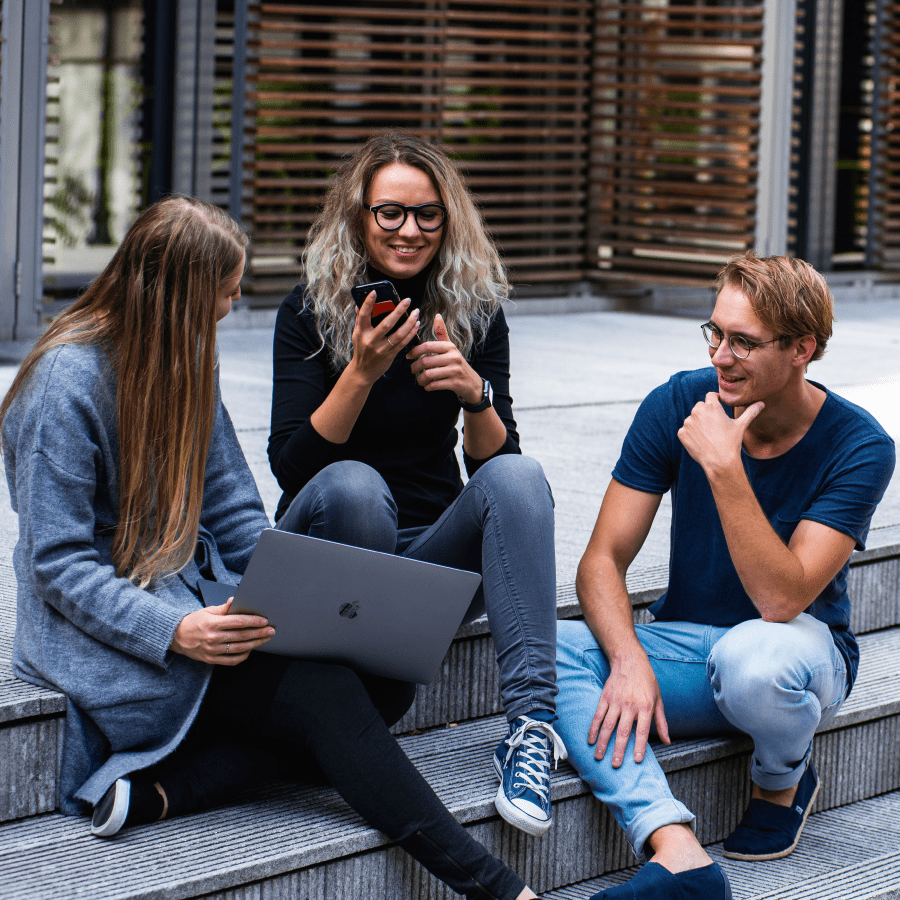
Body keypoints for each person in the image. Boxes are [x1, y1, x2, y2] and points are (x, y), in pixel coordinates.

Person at [1, 196, 543, 900]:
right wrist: (176, 629)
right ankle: (498, 889)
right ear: (179, 294)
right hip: (112, 634)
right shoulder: (63, 386)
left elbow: (232, 511)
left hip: (200, 605)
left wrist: (284, 593)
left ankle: (173, 788)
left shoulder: (185, 357)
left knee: (384, 684)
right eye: (223, 295)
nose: (229, 309)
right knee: (326, 694)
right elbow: (58, 565)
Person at [554, 252, 895, 899]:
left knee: (754, 659)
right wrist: (627, 659)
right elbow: (601, 559)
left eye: (743, 341)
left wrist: (725, 467)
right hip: (688, 645)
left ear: (802, 349)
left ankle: (782, 778)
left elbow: (782, 597)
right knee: (551, 646)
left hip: (796, 651)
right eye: (715, 332)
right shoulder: (679, 401)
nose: (721, 355)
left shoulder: (861, 445)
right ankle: (673, 847)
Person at [268, 130, 565, 837]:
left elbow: (498, 472)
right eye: (390, 213)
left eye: (427, 214)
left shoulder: (474, 310)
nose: (409, 230)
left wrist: (475, 395)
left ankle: (530, 730)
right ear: (359, 216)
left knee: (521, 478)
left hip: (427, 564)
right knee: (355, 487)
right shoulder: (309, 311)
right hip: (333, 549)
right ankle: (346, 699)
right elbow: (292, 467)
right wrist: (361, 372)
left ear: (448, 218)